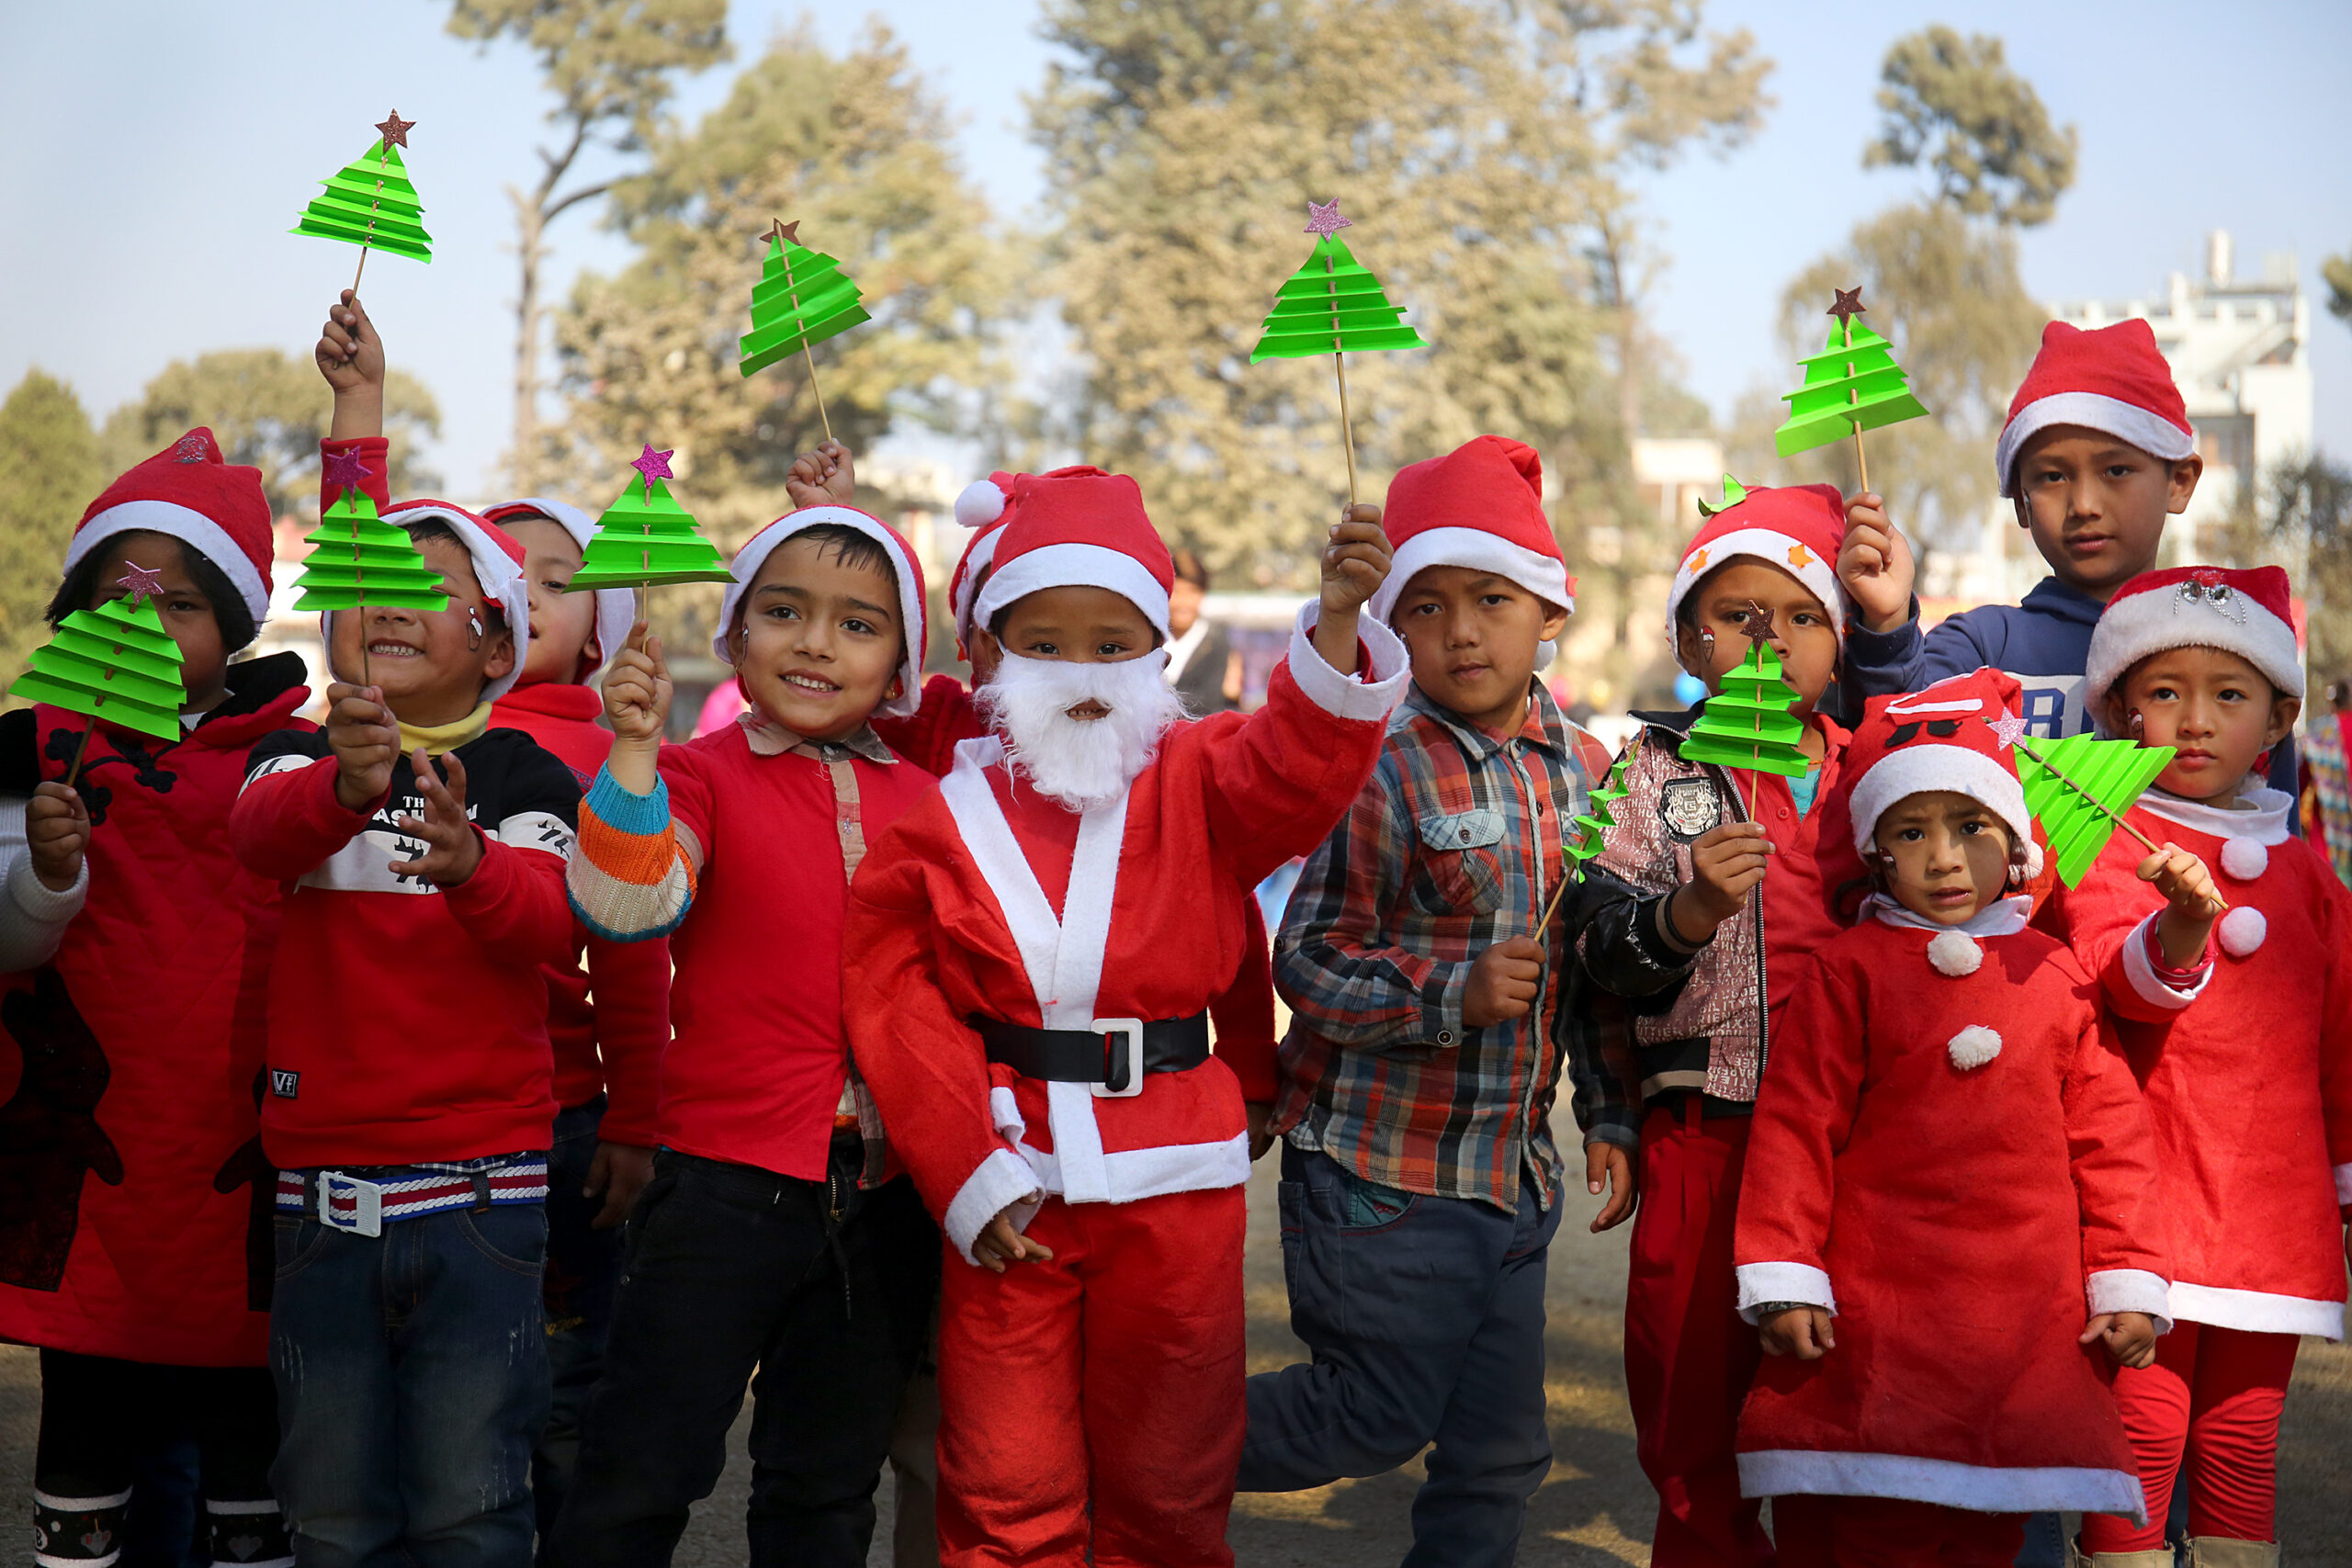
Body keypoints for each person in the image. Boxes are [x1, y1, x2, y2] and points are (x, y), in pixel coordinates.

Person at [842, 467, 1408, 1567]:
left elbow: (1295, 773)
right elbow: (898, 1000)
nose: (1084, 671)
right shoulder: (939, 818)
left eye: (1115, 643)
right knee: (1005, 1481)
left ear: (1156, 652)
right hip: (1011, 1182)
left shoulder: (1200, 772)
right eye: (1046, 641)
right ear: (990, 654)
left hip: (1175, 1182)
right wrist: (964, 1168)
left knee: (1172, 1475)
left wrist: (1336, 624)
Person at [1236, 435, 1619, 1564]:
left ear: (1550, 608)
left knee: (1499, 1455)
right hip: (1378, 1177)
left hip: (1511, 1185)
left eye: (1491, 598)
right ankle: (1124, 1446)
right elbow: (1303, 960)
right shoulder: (1380, 762)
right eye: (1428, 606)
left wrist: (1608, 1114)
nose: (1461, 630)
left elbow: (1589, 970)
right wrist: (1447, 993)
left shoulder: (1590, 770)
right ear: (1394, 624)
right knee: (1370, 1415)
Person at [232, 321, 579, 1565]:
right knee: (328, 1510)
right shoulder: (302, 754)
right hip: (320, 1202)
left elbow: (555, 920)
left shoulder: (522, 768)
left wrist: (479, 863)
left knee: (473, 1504)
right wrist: (342, 779)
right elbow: (258, 837)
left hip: (485, 1201)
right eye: (370, 588)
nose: (387, 604)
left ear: (497, 643)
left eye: (432, 591)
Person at [552, 499, 943, 1568]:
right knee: (639, 1473)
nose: (816, 642)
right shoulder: (696, 774)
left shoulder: (932, 798)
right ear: (732, 634)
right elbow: (627, 907)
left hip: (887, 1196)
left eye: (859, 625)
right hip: (722, 1189)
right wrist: (634, 752)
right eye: (784, 611)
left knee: (825, 1495)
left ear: (903, 661)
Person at [1735, 668, 2173, 1563]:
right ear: (1876, 852)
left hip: (2021, 1315)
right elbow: (1794, 1130)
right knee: (1862, 1520)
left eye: (1971, 828)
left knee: (1986, 1526)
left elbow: (2112, 1142)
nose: (1941, 857)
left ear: (2013, 843)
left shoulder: (2053, 973)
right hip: (1874, 1311)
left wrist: (2127, 1280)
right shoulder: (1849, 970)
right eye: (1911, 831)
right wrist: (1783, 1273)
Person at [0, 430, 307, 1568]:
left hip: (244, 1154)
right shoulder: (28, 754)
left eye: (179, 604)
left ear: (233, 626)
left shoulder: (295, 759)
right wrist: (50, 872)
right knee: (83, 1438)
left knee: (250, 1457)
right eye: (114, 599)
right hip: (90, 1164)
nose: (144, 624)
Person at [1566, 482, 1860, 1566]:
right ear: (1688, 636)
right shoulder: (1648, 774)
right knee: (1690, 1410)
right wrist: (1683, 915)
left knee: (1835, 1412)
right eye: (1737, 616)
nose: (1769, 640)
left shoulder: (1874, 774)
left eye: (1799, 617)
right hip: (1703, 1138)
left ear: (1837, 640)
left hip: (1852, 1152)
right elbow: (1594, 954)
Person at [2047, 566, 2350, 1568]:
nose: (2193, 720)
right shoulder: (2102, 841)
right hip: (2147, 1204)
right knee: (2136, 1435)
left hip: (2273, 1211)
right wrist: (2178, 930)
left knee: (2242, 1440)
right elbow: (2106, 985)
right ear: (2121, 709)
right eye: (2164, 691)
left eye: (2226, 694)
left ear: (2277, 716)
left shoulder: (2307, 866)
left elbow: (2339, 1041)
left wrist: (2344, 1177)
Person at [1838, 317, 2300, 804]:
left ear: (2180, 480)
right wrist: (1887, 622)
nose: (2084, 504)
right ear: (2020, 500)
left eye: (2116, 470)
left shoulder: (2236, 645)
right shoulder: (1982, 648)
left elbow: (2274, 851)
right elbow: (1889, 756)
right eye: (2053, 477)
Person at [476, 494, 671, 1556]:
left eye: (554, 577)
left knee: (562, 1387)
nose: (520, 590)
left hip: (560, 1123)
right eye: (495, 570)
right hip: (416, 1128)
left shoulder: (613, 753)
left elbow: (634, 955)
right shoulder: (402, 730)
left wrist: (636, 1119)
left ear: (598, 628)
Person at [1166, 547, 1243, 714]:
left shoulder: (1216, 642)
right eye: (1177, 592)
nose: (1184, 603)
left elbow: (1210, 701)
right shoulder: (1151, 640)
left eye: (1193, 592)